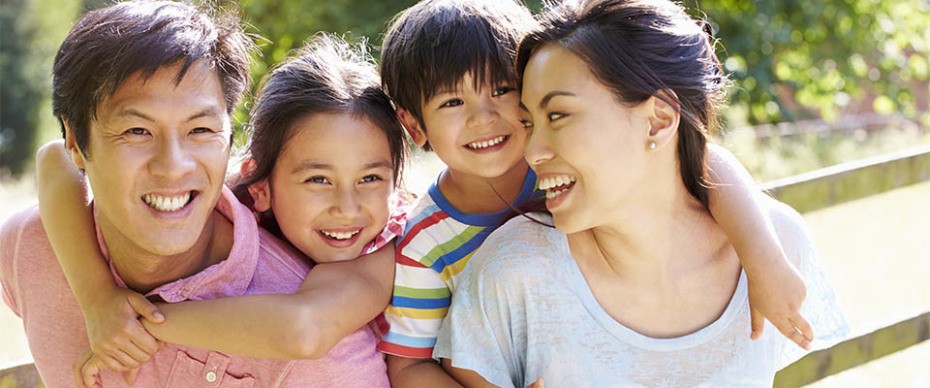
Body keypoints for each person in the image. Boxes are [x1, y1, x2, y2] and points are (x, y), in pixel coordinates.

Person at [377, 0, 813, 386]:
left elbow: (701, 157)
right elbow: (409, 365)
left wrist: (763, 256)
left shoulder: (558, 170)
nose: (484, 117)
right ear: (414, 125)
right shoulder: (428, 243)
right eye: (452, 102)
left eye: (502, 91)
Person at [2, 2, 389, 386]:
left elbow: (305, 331)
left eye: (200, 130)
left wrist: (139, 323)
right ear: (76, 141)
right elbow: (53, 158)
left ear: (229, 137)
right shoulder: (31, 246)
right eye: (137, 131)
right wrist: (95, 295)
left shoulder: (325, 357)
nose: (173, 166)